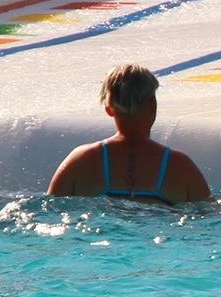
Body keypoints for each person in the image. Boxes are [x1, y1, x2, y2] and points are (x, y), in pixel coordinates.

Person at [48, 64, 211, 204]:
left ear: (109, 109)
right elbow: (210, 215)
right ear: (152, 105)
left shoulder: (82, 160)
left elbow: (50, 209)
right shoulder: (179, 166)